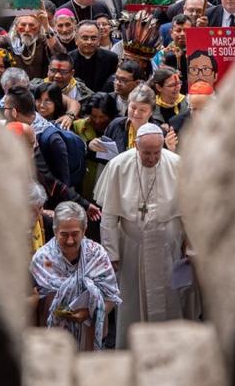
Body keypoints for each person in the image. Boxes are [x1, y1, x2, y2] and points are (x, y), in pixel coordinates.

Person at [94, 123, 187, 349]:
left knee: (171, 300)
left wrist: (190, 246)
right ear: (136, 146)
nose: (152, 158)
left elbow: (190, 212)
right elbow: (109, 216)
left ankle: (170, 350)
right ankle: (132, 350)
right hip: (132, 249)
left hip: (169, 247)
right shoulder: (119, 165)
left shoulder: (176, 164)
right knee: (132, 304)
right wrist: (111, 253)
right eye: (147, 153)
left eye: (157, 152)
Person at [30, 202, 121, 351]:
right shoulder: (42, 259)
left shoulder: (97, 255)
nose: (70, 240)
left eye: (75, 234)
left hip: (91, 337)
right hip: (54, 341)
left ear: (84, 231)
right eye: (64, 235)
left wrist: (90, 312)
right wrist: (63, 311)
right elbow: (34, 300)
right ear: (55, 231)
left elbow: (111, 296)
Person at [0, 12, 65, 80]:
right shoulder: (9, 39)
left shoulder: (43, 39)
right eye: (23, 25)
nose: (27, 29)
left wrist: (46, 27)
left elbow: (61, 55)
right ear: (16, 27)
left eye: (32, 25)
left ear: (38, 28)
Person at [96, 83, 157, 154]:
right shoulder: (116, 125)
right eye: (133, 108)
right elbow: (103, 154)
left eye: (142, 110)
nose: (136, 113)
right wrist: (93, 146)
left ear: (151, 112)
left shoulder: (159, 133)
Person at [69, 20, 119, 92]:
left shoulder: (111, 59)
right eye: (85, 38)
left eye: (93, 38)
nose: (89, 42)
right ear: (76, 40)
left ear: (99, 40)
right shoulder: (68, 60)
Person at [167, 80, 214, 149]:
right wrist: (171, 150)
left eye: (203, 110)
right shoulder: (177, 123)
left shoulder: (223, 121)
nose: (198, 115)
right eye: (194, 109)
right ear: (189, 105)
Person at [152, 14, 191, 84]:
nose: (182, 34)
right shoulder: (161, 55)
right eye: (178, 30)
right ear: (171, 32)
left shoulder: (197, 55)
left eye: (186, 31)